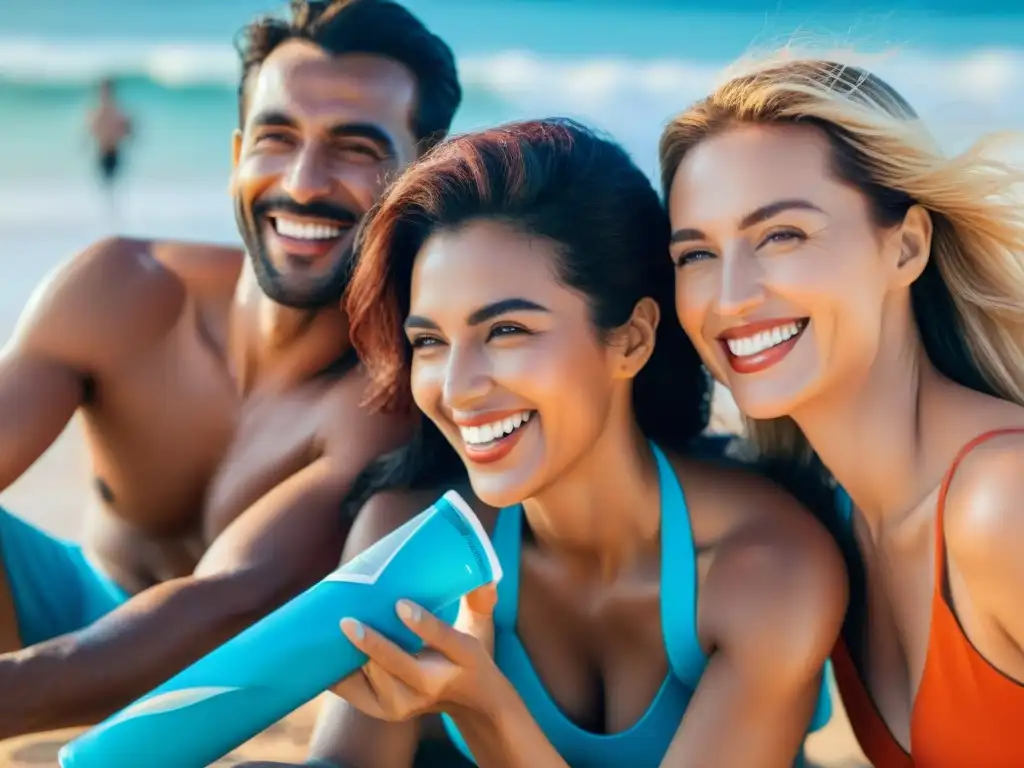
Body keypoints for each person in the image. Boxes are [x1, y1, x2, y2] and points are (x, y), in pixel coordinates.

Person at [259, 118, 847, 768]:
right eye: (429, 342)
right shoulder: (407, 537)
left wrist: (484, 706)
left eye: (507, 330)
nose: (457, 390)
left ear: (631, 340)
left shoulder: (764, 570)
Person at [0, 0, 460, 739]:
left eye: (355, 147)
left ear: (423, 176)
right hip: (63, 605)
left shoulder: (390, 396)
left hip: (208, 691)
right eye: (278, 138)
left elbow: (223, 608)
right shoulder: (120, 288)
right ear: (238, 153)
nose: (304, 182)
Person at [661, 56, 1024, 767]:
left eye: (781, 235)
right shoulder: (828, 525)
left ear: (907, 247)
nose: (730, 296)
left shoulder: (1003, 506)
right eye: (696, 254)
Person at [87, 77, 133, 209]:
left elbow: (127, 131)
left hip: (114, 153)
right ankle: (108, 212)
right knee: (105, 187)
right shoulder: (98, 111)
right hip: (102, 154)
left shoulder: (117, 112)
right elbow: (92, 131)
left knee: (113, 187)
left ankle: (113, 213)